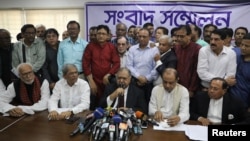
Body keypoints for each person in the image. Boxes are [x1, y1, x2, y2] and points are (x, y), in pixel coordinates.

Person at [83, 24, 120, 110]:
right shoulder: (90, 46)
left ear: (107, 36)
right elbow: (85, 64)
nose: (101, 36)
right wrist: (91, 81)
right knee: (92, 102)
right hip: (94, 79)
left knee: (106, 103)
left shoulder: (111, 47)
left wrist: (108, 74)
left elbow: (117, 63)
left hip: (107, 80)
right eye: (99, 33)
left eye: (103, 34)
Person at [126, 28, 159, 106]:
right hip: (134, 82)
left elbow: (156, 67)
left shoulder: (154, 49)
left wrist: (146, 79)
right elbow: (129, 66)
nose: (141, 38)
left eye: (144, 36)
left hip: (149, 84)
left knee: (147, 106)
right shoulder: (132, 49)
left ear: (149, 37)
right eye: (140, 36)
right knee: (133, 106)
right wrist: (138, 77)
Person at [174, 25, 201, 97]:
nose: (179, 39)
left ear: (189, 36)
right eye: (177, 36)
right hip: (176, 86)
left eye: (182, 36)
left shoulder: (197, 49)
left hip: (190, 87)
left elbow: (196, 71)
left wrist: (192, 89)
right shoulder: (176, 48)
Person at [230, 33, 250, 110]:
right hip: (227, 100)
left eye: (247, 46)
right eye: (242, 44)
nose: (243, 48)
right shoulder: (233, 54)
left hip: (244, 103)